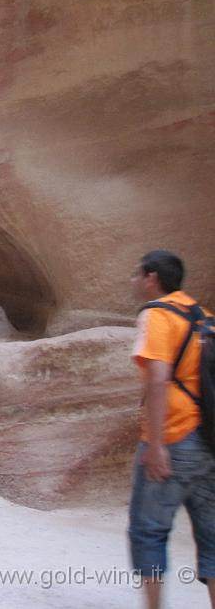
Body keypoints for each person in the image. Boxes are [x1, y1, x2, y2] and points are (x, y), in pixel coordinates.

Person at [128, 250, 215, 609]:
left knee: (148, 531)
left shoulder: (157, 315)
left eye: (136, 274)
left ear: (151, 278)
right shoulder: (205, 318)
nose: (133, 281)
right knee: (212, 538)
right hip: (210, 442)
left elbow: (160, 379)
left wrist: (157, 444)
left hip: (175, 437)